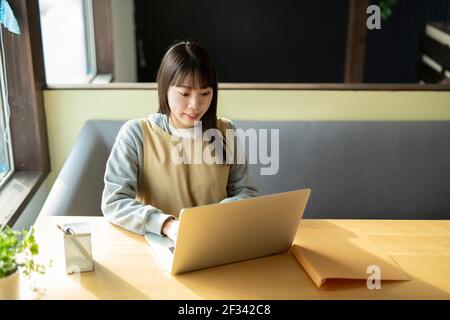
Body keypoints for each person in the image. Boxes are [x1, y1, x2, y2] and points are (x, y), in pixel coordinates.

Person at [101, 41, 259, 241]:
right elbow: (114, 201)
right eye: (184, 94)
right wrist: (166, 225)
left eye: (205, 94)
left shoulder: (226, 131)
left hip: (217, 242)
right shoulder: (135, 134)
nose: (195, 105)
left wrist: (219, 217)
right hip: (158, 243)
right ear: (165, 89)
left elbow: (246, 192)